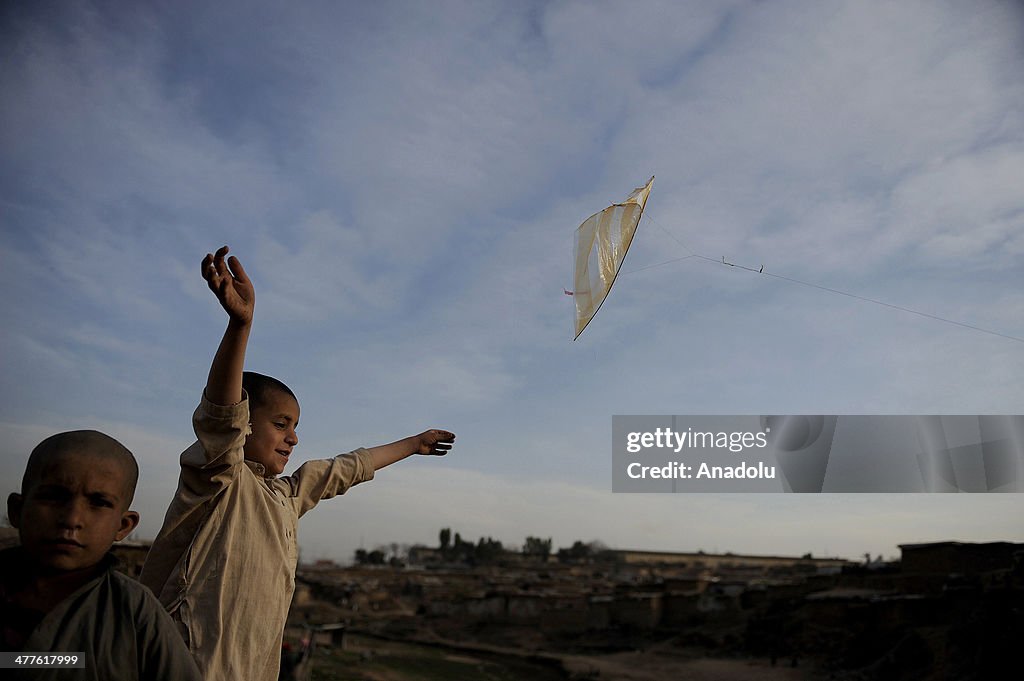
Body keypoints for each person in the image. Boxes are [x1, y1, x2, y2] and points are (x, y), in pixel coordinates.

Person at [140, 246, 455, 681]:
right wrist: (240, 325)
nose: (293, 437)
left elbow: (349, 468)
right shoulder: (220, 476)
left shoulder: (286, 497)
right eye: (281, 423)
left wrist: (413, 443)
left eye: (296, 426)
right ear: (245, 424)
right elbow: (222, 414)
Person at [1, 431, 203, 681]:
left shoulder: (135, 610)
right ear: (17, 510)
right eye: (54, 497)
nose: (72, 520)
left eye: (98, 503)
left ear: (123, 526)